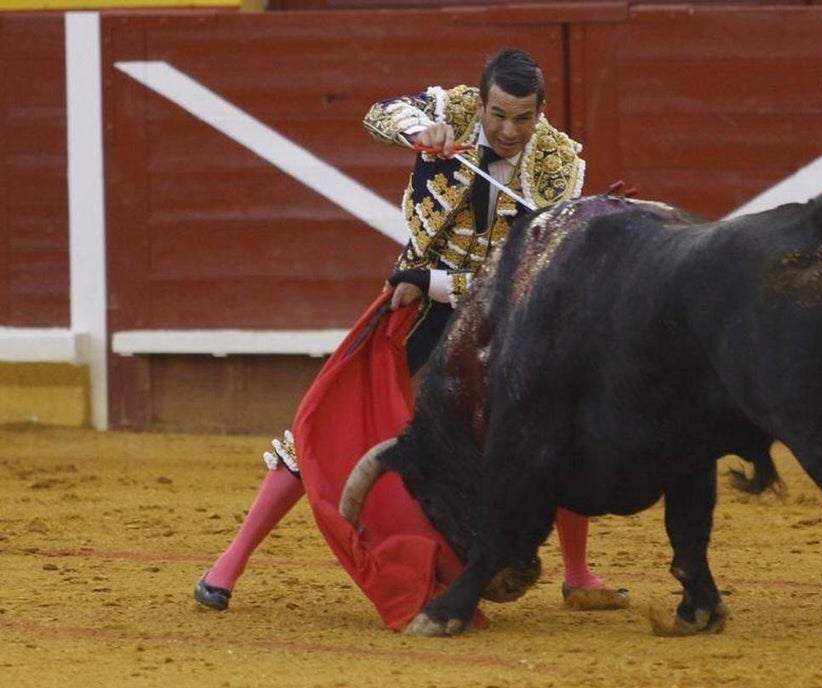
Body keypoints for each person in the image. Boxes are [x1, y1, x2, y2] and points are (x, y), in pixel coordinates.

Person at [194, 48, 628, 626]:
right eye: (498, 114)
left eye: (522, 119)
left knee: (556, 423)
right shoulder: (452, 110)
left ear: (540, 112)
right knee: (329, 411)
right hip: (416, 303)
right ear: (481, 101)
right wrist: (420, 129)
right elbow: (380, 114)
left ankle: (577, 574)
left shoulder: (557, 164)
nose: (507, 130)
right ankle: (229, 563)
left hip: (500, 312)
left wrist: (437, 280)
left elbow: (525, 270)